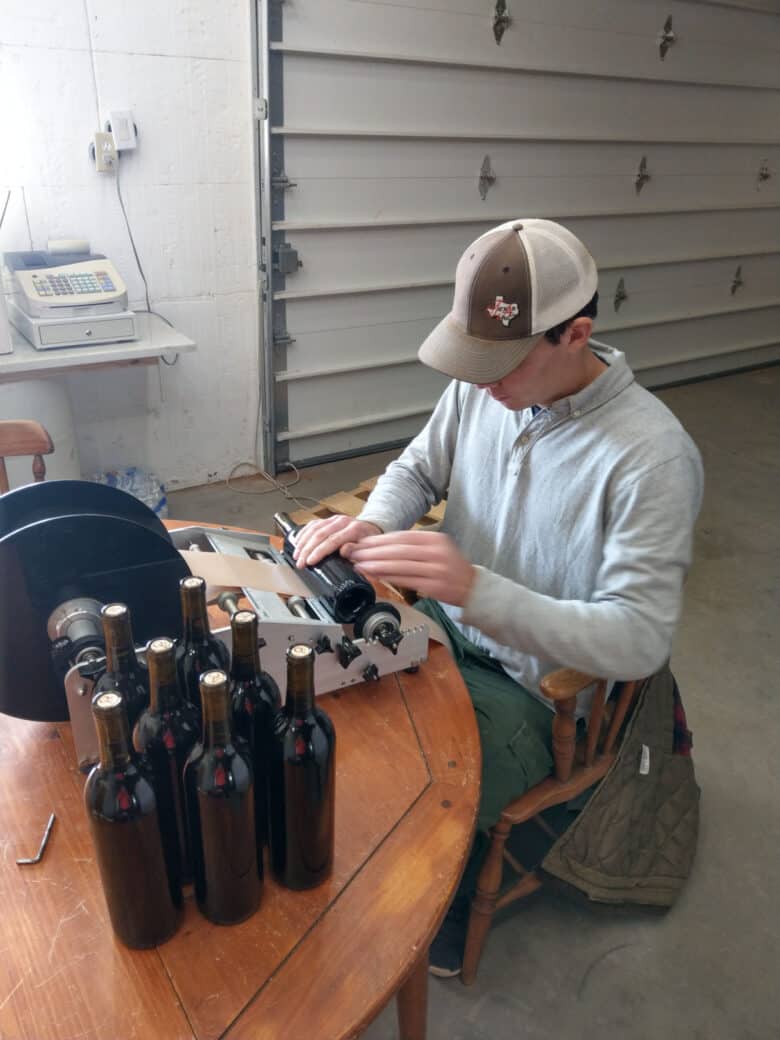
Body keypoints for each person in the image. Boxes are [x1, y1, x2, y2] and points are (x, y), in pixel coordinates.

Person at [291, 218, 704, 976]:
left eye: (502, 364)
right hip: (451, 625)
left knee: (409, 781)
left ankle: (438, 892)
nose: (483, 384)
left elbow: (641, 639)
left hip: (542, 692)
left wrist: (477, 589)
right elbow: (418, 468)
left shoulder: (653, 460)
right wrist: (372, 522)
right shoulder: (483, 388)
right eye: (473, 359)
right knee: (327, 710)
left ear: (574, 334)